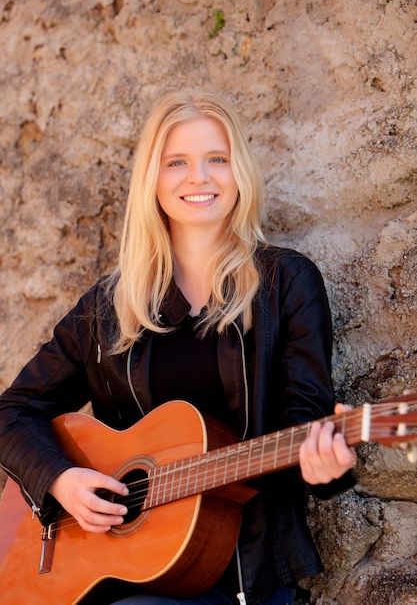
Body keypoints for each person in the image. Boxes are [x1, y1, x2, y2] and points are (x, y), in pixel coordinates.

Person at [0, 90, 356, 605]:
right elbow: (14, 411)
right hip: (116, 571)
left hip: (241, 574)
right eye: (177, 163)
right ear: (153, 179)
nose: (200, 177)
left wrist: (326, 468)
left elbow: (306, 422)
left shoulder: (286, 283)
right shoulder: (108, 307)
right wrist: (58, 480)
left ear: (240, 172)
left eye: (218, 158)